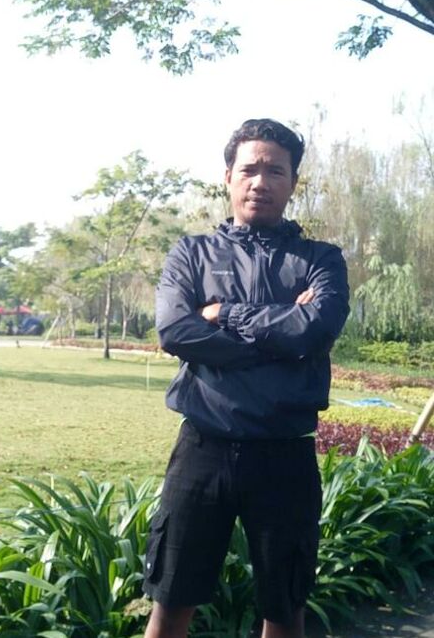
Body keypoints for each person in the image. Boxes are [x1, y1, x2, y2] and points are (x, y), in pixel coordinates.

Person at [143, 119, 350, 638]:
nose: (260, 182)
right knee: (171, 601)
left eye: (275, 171)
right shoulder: (191, 254)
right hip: (203, 449)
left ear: (293, 182)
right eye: (249, 169)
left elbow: (314, 328)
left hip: (285, 454)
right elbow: (175, 330)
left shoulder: (320, 260)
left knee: (285, 607)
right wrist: (277, 341)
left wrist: (223, 314)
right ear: (228, 177)